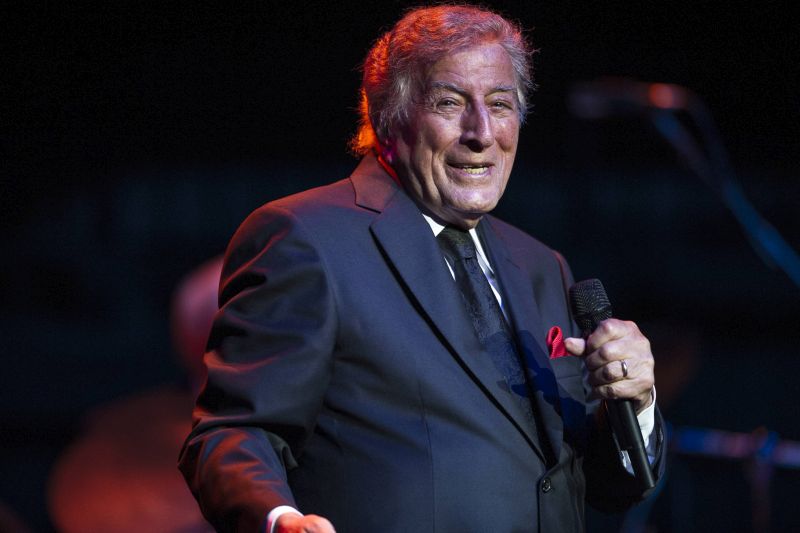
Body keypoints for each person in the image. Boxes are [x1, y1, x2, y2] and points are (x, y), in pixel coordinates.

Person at [179, 5, 665, 532]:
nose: (482, 132)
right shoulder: (307, 239)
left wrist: (634, 402)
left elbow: (607, 486)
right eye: (449, 103)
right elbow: (234, 433)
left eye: (500, 104)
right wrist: (278, 520)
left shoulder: (542, 266)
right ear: (387, 115)